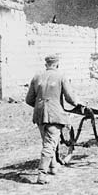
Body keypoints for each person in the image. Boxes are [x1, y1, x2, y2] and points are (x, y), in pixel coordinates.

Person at [25, 54, 81, 184]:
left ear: (46, 65)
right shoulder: (61, 77)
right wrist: (76, 103)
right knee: (50, 144)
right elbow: (70, 98)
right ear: (57, 65)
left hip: (39, 115)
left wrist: (41, 105)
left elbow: (29, 100)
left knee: (47, 141)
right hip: (55, 115)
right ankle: (41, 174)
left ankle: (53, 166)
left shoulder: (36, 77)